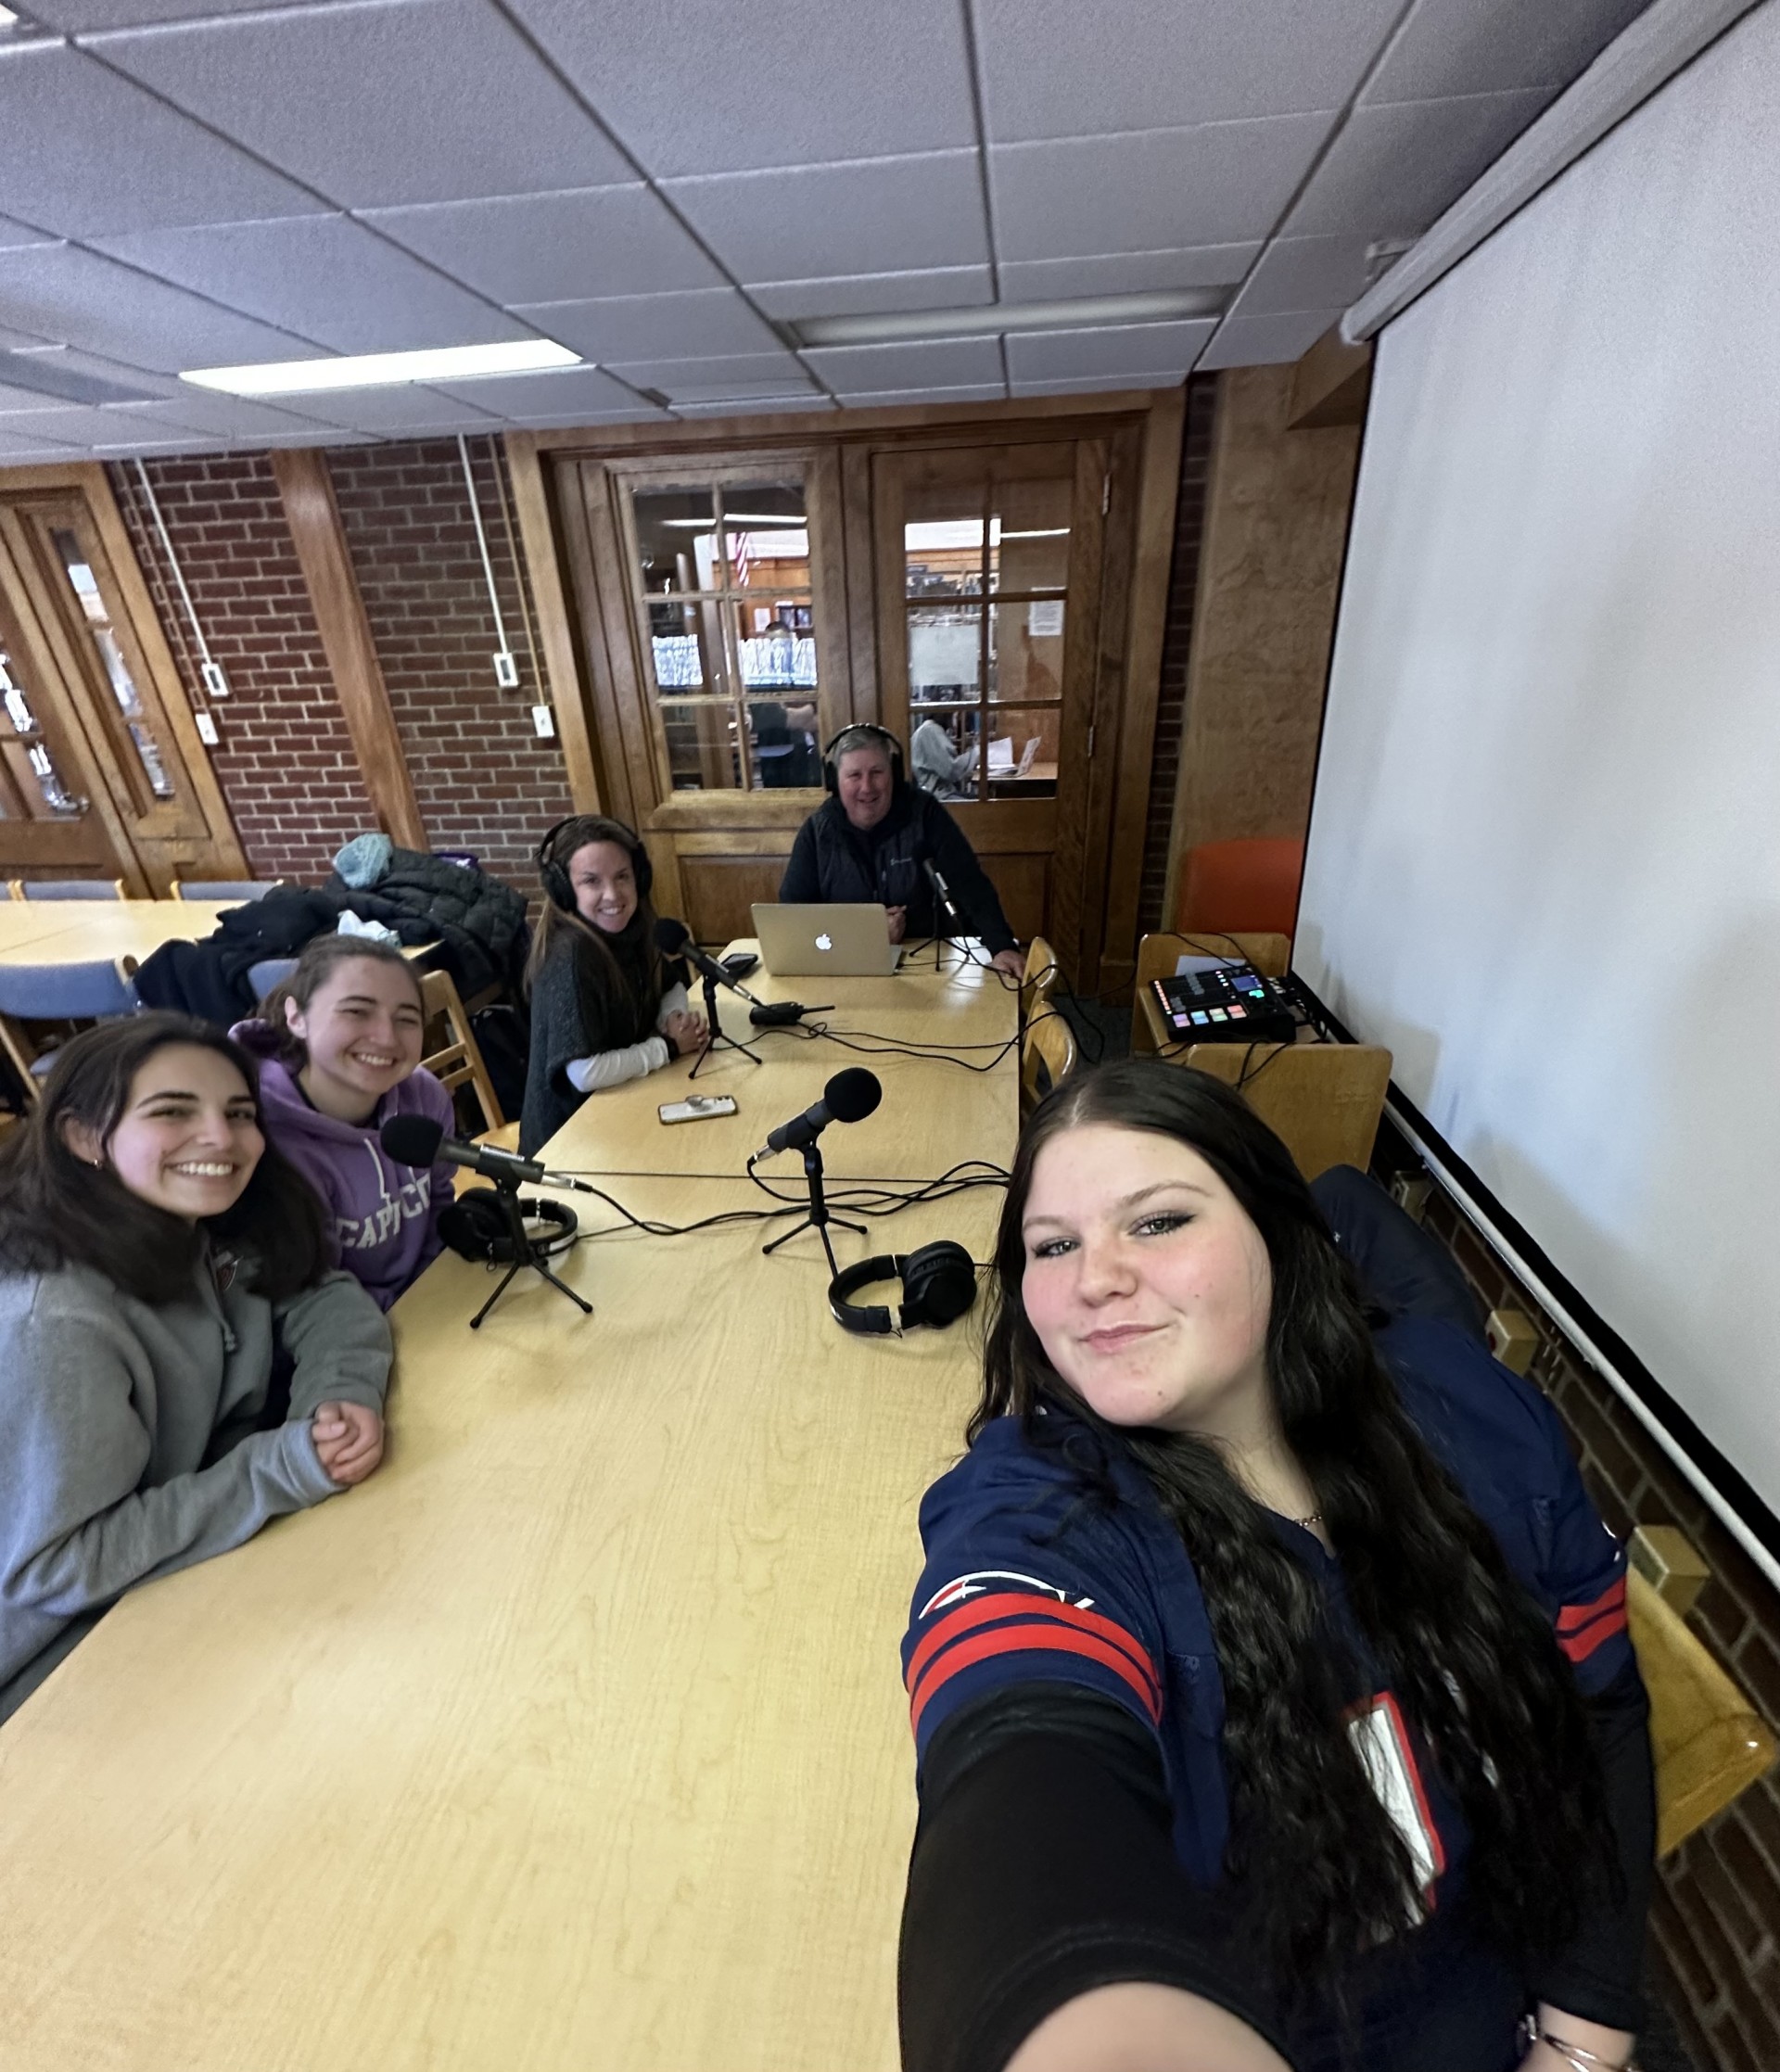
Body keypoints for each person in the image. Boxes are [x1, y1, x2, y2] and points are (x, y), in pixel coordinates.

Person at [898, 1061, 1652, 2072]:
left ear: (1278, 1231)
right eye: (1053, 1245)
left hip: (1497, 2002)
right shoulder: (1036, 1517)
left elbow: (1600, 1713)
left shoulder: (1468, 1411)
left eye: (1158, 1221)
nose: (1094, 1277)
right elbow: (1020, 1792)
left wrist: (1584, 2039)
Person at [0, 1014, 393, 1723]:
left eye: (239, 1112)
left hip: (188, 1575)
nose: (221, 1136)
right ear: (83, 1137)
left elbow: (319, 1295)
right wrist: (276, 1466)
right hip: (61, 1672)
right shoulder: (54, 1322)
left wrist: (337, 1392)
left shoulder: (205, 1231)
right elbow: (60, 1565)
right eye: (172, 1111)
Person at [231, 934, 454, 1311]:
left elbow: (439, 1203)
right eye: (356, 1012)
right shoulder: (266, 1141)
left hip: (435, 1302)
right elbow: (315, 1292)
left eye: (406, 1019)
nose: (386, 1037)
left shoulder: (424, 1095)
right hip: (358, 1326)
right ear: (296, 1016)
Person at [521, 814, 705, 1158]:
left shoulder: (636, 927)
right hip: (568, 1147)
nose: (612, 894)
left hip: (622, 1110)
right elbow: (585, 1073)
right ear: (564, 889)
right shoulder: (571, 956)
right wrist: (667, 1047)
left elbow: (670, 985)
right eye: (591, 881)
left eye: (622, 877)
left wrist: (673, 1018)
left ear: (640, 878)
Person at [779, 724, 1026, 979]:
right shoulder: (818, 831)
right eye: (854, 775)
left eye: (877, 772)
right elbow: (793, 918)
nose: (867, 787)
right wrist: (869, 935)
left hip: (928, 966)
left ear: (894, 774)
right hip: (843, 968)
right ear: (834, 781)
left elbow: (970, 883)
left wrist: (1002, 946)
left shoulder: (925, 813)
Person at [912, 714, 977, 802]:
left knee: (976, 797)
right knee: (984, 805)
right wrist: (976, 754)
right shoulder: (931, 730)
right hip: (936, 796)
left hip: (936, 792)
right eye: (952, 715)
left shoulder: (929, 729)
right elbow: (950, 769)